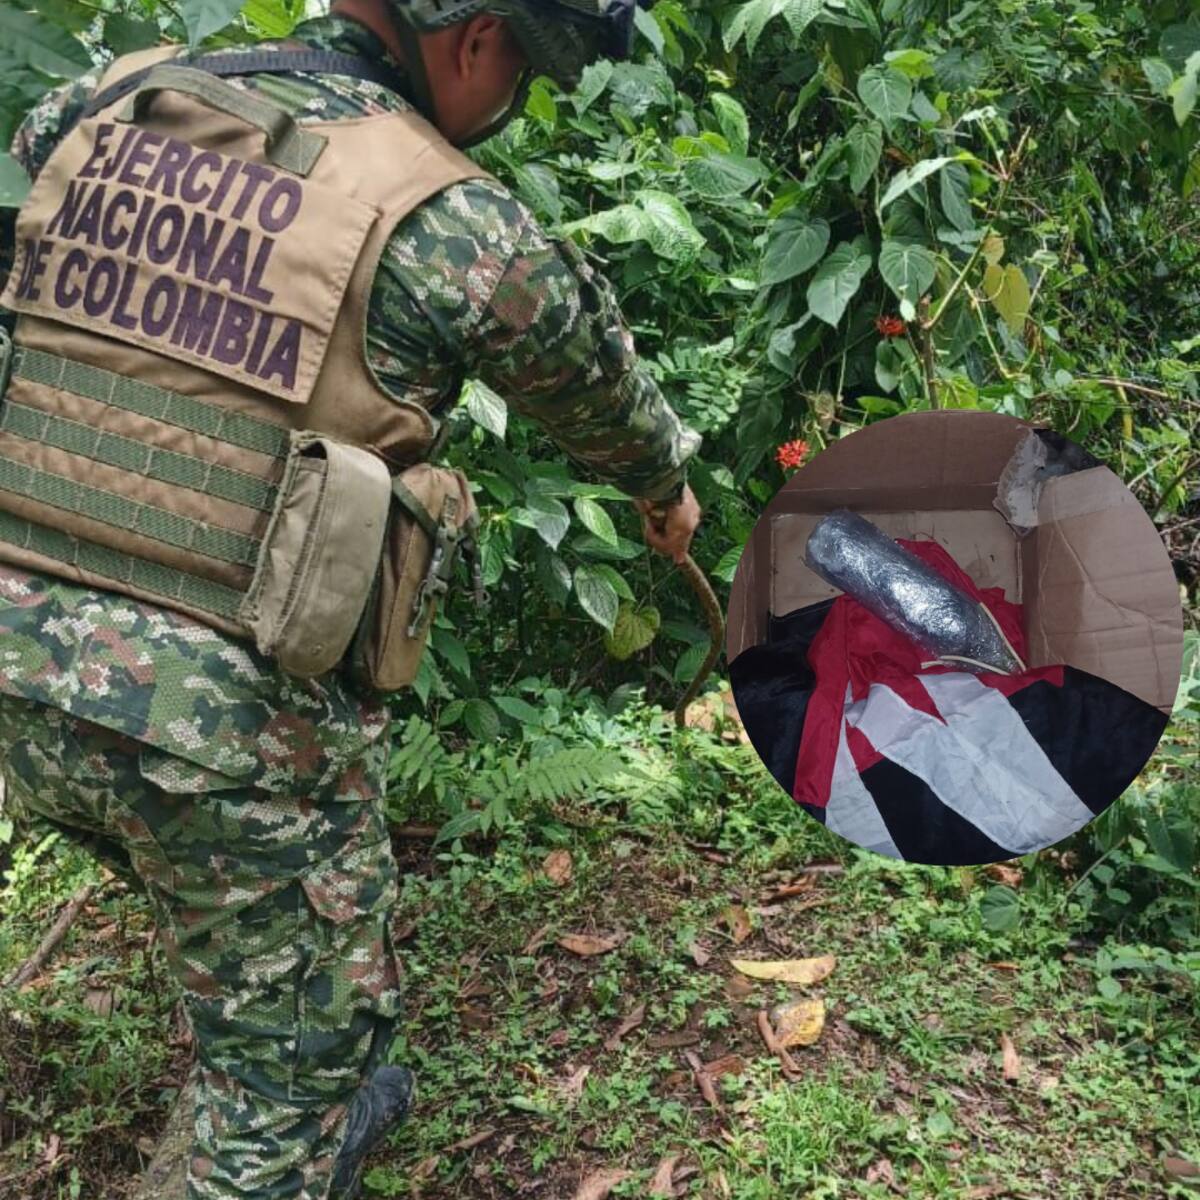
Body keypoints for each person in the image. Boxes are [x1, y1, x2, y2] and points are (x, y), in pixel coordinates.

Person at [0, 0, 702, 1197]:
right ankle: (290, 1079)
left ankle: (267, 994)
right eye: (525, 69)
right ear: (477, 38)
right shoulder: (447, 215)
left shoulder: (110, 105)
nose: (513, 97)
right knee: (290, 1084)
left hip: (16, 678)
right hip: (208, 732)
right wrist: (660, 485)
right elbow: (589, 377)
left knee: (251, 908)